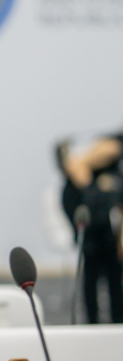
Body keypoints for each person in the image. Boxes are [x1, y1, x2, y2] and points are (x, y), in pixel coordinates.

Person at [58, 134, 123, 323]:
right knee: (92, 275)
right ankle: (92, 320)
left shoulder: (112, 177)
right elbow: (73, 167)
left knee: (113, 276)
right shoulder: (82, 173)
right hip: (90, 233)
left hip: (106, 232)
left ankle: (117, 320)